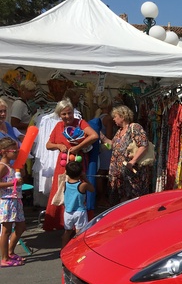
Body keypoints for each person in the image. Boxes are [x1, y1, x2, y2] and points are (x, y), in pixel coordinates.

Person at [44, 98, 98, 231]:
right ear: (59, 115)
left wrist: (78, 147)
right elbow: (48, 145)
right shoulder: (58, 126)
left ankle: (78, 225)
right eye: (64, 114)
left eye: (69, 113)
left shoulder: (81, 123)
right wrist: (58, 145)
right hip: (62, 165)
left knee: (78, 192)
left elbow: (94, 136)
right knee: (62, 191)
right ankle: (64, 223)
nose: (67, 116)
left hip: (77, 164)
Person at [100, 105, 151, 203]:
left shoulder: (134, 127)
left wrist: (133, 161)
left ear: (122, 116)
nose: (113, 119)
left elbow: (144, 145)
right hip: (120, 175)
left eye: (115, 116)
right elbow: (112, 145)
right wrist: (101, 137)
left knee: (132, 200)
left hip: (131, 173)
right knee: (122, 201)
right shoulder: (119, 132)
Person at [0, 138, 26, 267]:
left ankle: (10, 251)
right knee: (6, 230)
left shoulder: (11, 166)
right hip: (7, 201)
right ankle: (4, 258)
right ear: (4, 152)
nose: (17, 153)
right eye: (14, 151)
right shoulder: (2, 167)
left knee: (21, 226)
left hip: (16, 199)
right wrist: (12, 183)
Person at [61, 161, 94, 247]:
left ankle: (62, 249)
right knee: (80, 232)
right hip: (79, 212)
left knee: (67, 232)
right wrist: (85, 178)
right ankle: (78, 249)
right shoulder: (82, 185)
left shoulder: (65, 184)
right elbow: (92, 189)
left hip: (68, 212)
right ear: (80, 173)